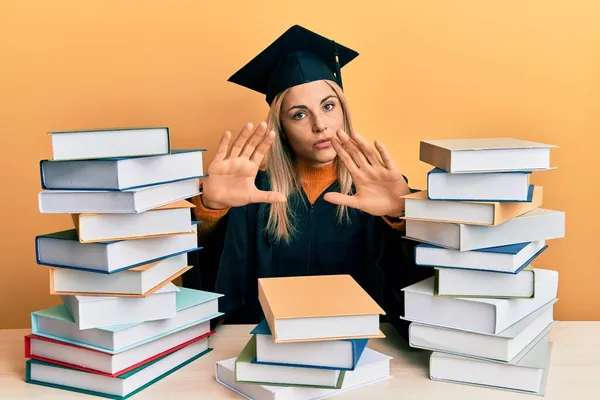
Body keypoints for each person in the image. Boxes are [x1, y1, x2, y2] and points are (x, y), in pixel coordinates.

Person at [182, 25, 432, 341]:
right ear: (281, 127)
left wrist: (403, 216)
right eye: (299, 114)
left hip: (366, 350)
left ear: (343, 110)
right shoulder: (253, 195)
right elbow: (218, 300)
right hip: (265, 348)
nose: (320, 125)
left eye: (328, 106)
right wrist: (211, 212)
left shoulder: (379, 194)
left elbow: (415, 299)